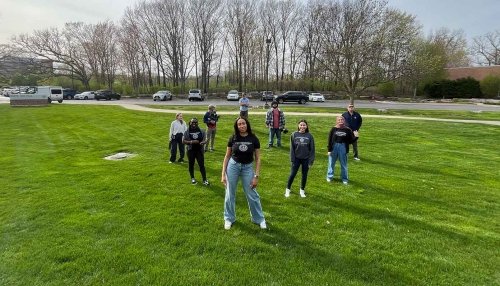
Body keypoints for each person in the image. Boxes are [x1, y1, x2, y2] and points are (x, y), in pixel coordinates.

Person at [221, 117, 266, 230]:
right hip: (233, 166)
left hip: (247, 167)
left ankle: (259, 219)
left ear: (247, 124)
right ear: (237, 126)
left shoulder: (254, 138)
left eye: (243, 123)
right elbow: (227, 156)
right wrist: (223, 174)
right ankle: (229, 218)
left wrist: (256, 176)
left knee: (252, 193)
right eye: (239, 124)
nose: (242, 126)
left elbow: (258, 159)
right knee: (230, 193)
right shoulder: (233, 138)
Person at [285, 119, 315, 198]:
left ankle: (302, 190)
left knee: (304, 175)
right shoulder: (294, 134)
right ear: (298, 126)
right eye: (301, 125)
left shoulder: (310, 136)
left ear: (306, 126)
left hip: (306, 159)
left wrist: (310, 162)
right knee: (292, 174)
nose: (302, 126)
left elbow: (312, 149)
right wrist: (292, 159)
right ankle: (287, 190)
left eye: (304, 125)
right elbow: (292, 148)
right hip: (296, 159)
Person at [326, 116, 355, 185]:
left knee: (344, 164)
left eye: (342, 119)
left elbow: (351, 141)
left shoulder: (347, 130)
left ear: (344, 121)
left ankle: (344, 179)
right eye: (339, 120)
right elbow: (329, 140)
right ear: (336, 121)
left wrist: (356, 137)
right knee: (331, 163)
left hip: (343, 147)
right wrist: (329, 150)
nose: (340, 121)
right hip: (334, 147)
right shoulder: (333, 129)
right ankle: (329, 176)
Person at [183, 118, 209, 185]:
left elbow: (206, 139)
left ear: (197, 123)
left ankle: (204, 180)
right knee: (191, 164)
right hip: (190, 151)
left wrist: (203, 142)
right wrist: (192, 142)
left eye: (195, 122)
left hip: (199, 151)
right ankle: (192, 178)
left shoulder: (202, 131)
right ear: (190, 123)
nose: (194, 124)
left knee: (201, 165)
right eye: (192, 122)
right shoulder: (187, 131)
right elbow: (183, 141)